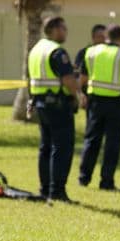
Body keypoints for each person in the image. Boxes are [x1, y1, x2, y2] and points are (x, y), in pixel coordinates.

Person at [77, 24, 120, 191]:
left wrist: (83, 94)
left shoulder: (91, 52)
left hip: (95, 103)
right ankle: (106, 182)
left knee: (91, 140)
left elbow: (82, 79)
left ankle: (83, 178)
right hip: (115, 104)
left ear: (106, 36)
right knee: (112, 143)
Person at [27, 16, 79, 203]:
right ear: (55, 29)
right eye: (64, 28)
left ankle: (45, 188)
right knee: (62, 147)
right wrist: (76, 96)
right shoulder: (57, 51)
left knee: (46, 147)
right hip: (58, 105)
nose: (66, 32)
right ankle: (57, 191)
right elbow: (68, 80)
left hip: (41, 104)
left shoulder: (36, 50)